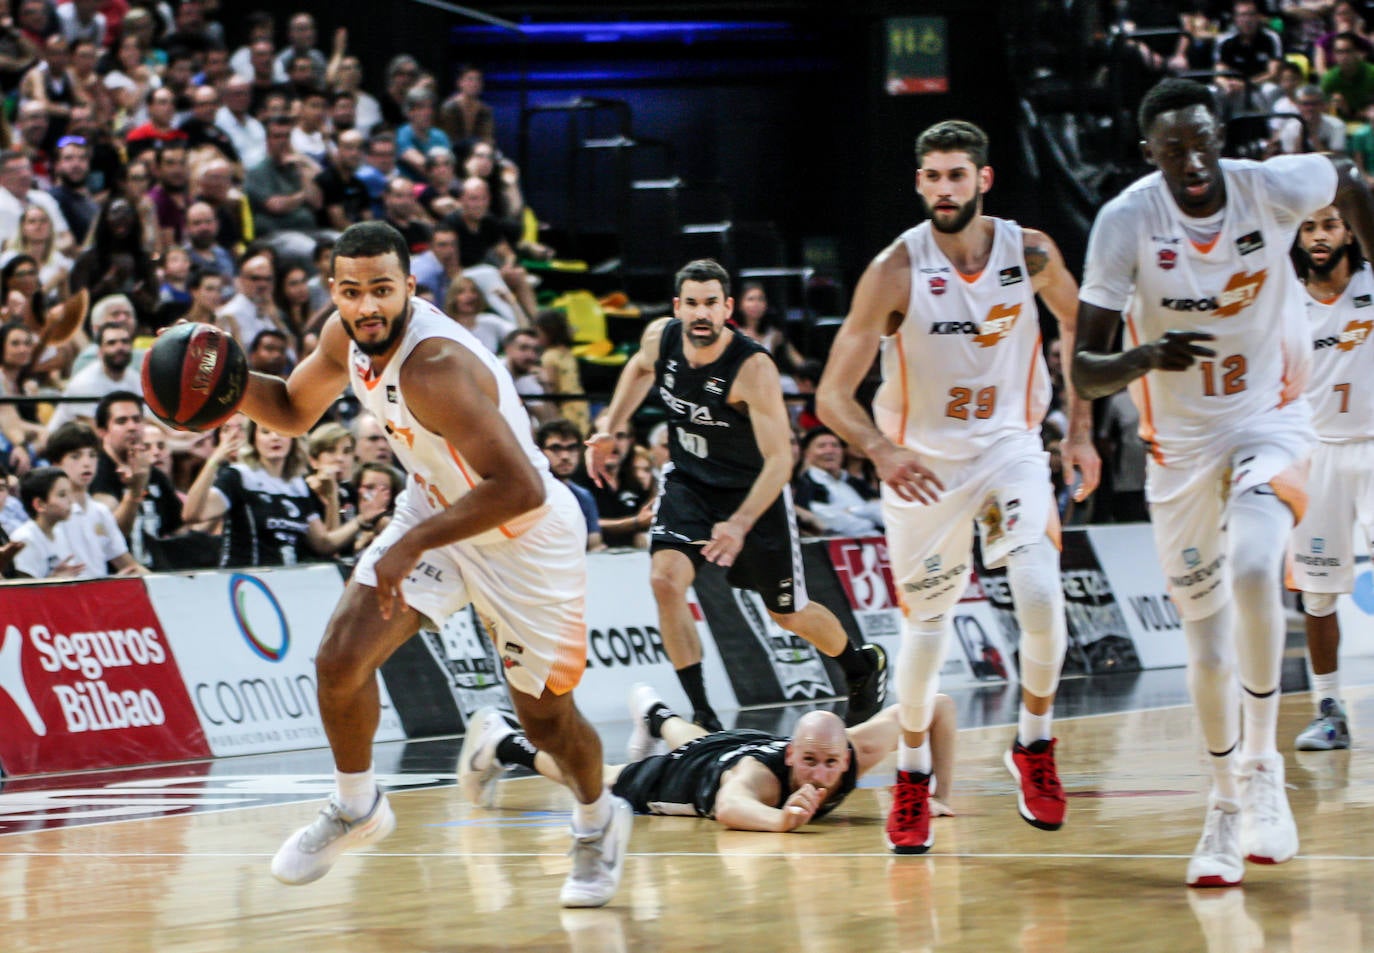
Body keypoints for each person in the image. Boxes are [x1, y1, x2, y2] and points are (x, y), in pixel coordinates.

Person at [233, 221, 630, 906]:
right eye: (352, 291)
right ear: (334, 290)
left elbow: (521, 486)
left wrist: (410, 546)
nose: (366, 306)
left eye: (382, 290)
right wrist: (220, 387)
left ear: (410, 288)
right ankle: (357, 804)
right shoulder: (343, 335)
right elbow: (294, 411)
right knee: (338, 658)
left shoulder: (435, 367)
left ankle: (598, 816)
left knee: (545, 722)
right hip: (437, 507)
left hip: (523, 536)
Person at [1071, 77, 1374, 887]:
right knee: (1203, 646)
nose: (1195, 159)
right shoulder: (1127, 221)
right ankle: (1223, 806)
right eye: (1176, 148)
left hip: (1272, 419)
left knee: (1253, 569)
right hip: (1178, 451)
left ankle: (1265, 770)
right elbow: (1085, 368)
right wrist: (1142, 357)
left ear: (1218, 135)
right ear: (1151, 154)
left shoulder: (1267, 186)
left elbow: (1346, 175)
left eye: (1203, 140)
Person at [815, 119, 1099, 855]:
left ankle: (1033, 743)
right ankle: (911, 775)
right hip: (924, 464)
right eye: (933, 177)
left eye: (957, 175)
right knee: (927, 628)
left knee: (1038, 591)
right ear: (920, 184)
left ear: (984, 179)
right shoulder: (894, 270)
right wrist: (878, 449)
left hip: (1010, 445)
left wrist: (1078, 430)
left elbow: (1080, 325)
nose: (945, 189)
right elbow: (831, 396)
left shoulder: (1029, 250)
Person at [589, 259, 889, 731]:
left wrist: (739, 523)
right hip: (689, 482)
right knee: (665, 581)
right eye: (691, 304)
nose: (701, 313)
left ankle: (860, 666)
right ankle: (703, 716)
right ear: (678, 307)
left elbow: (779, 462)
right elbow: (639, 369)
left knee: (787, 613)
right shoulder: (660, 337)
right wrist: (610, 426)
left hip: (753, 495)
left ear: (728, 308)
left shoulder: (752, 368)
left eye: (711, 303)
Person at [459, 687, 957, 830]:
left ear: (848, 759)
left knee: (700, 739)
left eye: (830, 763)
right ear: (790, 753)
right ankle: (503, 741)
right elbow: (731, 807)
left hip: (730, 745)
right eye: (809, 762)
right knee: (602, 779)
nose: (821, 774)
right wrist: (780, 819)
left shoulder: (855, 747)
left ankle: (655, 713)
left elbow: (937, 706)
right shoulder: (762, 777)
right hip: (698, 776)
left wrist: (936, 791)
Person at [1288, 205, 1372, 753]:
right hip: (1314, 456)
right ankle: (1328, 710)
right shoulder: (1283, 301)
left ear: (1348, 232)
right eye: (1309, 227)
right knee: (1316, 598)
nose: (1320, 237)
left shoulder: (1370, 284)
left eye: (1331, 225)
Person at [536, 418, 603, 551]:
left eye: (572, 448)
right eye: (556, 448)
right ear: (540, 451)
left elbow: (594, 542)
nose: (565, 456)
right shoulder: (531, 493)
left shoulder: (584, 497)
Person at [9, 465, 84, 578]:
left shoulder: (59, 531)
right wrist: (54, 579)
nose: (71, 501)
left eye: (70, 493)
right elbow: (26, 591)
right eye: (62, 495)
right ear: (39, 504)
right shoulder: (24, 539)